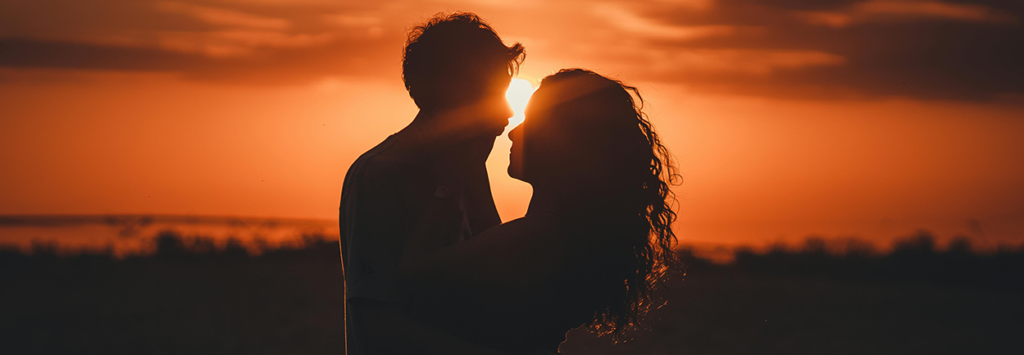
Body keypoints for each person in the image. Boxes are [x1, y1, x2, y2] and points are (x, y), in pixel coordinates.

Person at [397, 69, 682, 354]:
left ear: (557, 143)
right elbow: (489, 235)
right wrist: (472, 157)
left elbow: (412, 270)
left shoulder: (538, 235)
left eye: (529, 122)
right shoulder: (559, 232)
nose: (512, 132)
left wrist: (445, 190)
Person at [338, 13, 525, 355]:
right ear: (454, 93)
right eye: (493, 92)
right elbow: (375, 325)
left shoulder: (469, 167)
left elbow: (495, 281)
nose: (509, 111)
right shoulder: (379, 177)